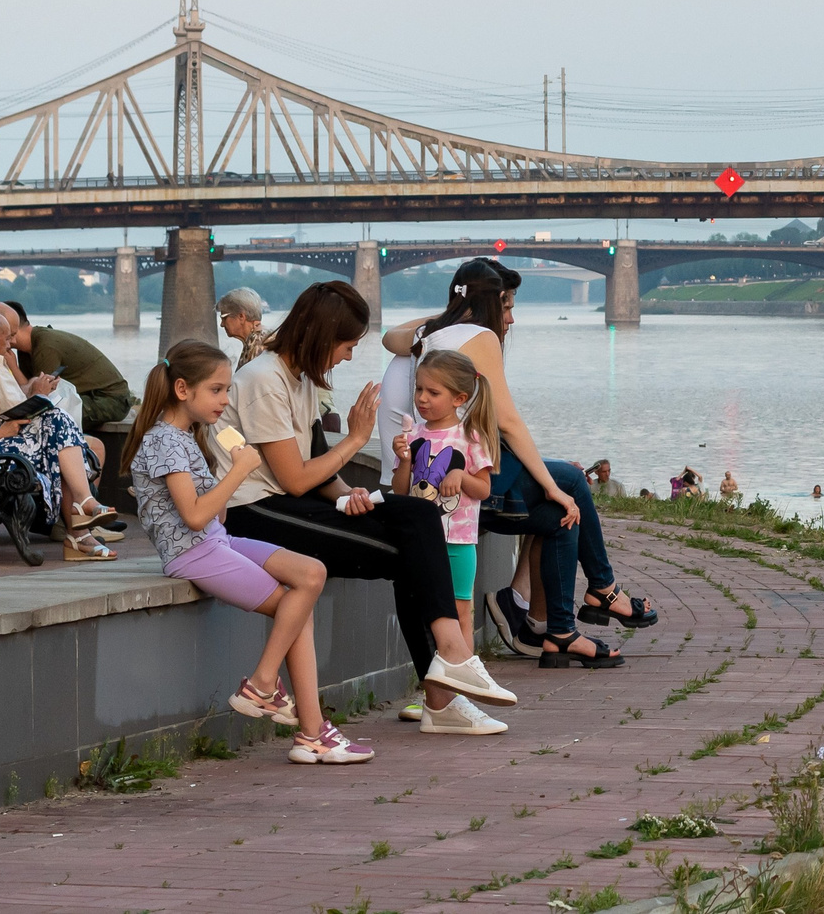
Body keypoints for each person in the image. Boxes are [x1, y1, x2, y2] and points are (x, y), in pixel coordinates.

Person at [221, 280, 519, 736]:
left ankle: (450, 662)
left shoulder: (297, 378)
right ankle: (445, 685)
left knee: (418, 516)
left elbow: (315, 463)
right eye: (345, 345)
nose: (348, 356)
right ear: (320, 337)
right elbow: (295, 477)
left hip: (292, 500)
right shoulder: (263, 381)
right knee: (409, 555)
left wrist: (345, 494)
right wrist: (357, 440)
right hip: (256, 512)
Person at [378, 260, 653, 650]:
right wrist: (551, 485)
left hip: (420, 483)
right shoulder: (476, 335)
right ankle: (600, 592)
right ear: (487, 306)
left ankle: (554, 628)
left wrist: (457, 308)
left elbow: (390, 336)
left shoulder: (431, 336)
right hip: (446, 493)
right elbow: (508, 421)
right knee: (569, 484)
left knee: (559, 512)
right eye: (506, 307)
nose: (511, 319)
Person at [125, 341, 368, 764]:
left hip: (216, 542)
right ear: (183, 389)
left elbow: (213, 514)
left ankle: (274, 695)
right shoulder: (164, 442)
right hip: (194, 554)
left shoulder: (188, 437)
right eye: (218, 390)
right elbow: (195, 516)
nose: (226, 400)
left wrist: (226, 466)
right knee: (297, 609)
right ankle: (297, 718)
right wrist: (239, 470)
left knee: (310, 573)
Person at [0, 311, 123, 559]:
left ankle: (82, 515)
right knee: (57, 438)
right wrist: (2, 432)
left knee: (55, 423)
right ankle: (81, 529)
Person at [390, 347, 495, 654]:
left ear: (459, 398)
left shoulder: (470, 436)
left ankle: (464, 681)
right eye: (419, 389)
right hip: (421, 540)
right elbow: (400, 491)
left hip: (457, 542)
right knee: (426, 615)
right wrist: (404, 460)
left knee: (461, 613)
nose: (422, 398)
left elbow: (484, 489)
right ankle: (435, 686)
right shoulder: (412, 436)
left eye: (433, 392)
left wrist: (461, 476)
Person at [0, 301, 134, 428]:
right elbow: (29, 389)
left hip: (110, 400)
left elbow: (39, 396)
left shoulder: (46, 346)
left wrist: (13, 368)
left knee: (49, 418)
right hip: (89, 396)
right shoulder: (27, 348)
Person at [219, 288, 270, 366]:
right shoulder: (256, 338)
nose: (222, 324)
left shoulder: (259, 343)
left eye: (224, 318)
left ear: (241, 317)